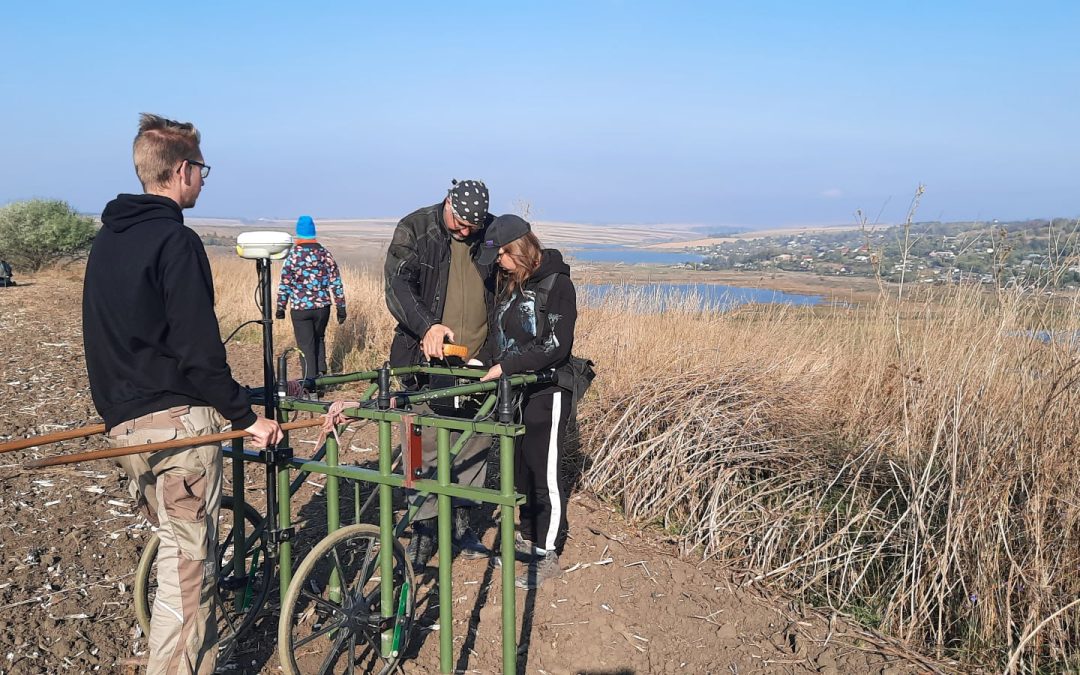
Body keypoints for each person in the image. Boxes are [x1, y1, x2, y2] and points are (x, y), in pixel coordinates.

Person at [82, 113, 283, 675]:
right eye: (202, 169)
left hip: (126, 425)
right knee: (188, 565)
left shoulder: (107, 241)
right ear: (181, 170)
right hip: (177, 427)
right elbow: (198, 351)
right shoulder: (176, 239)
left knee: (178, 551)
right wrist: (247, 417)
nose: (204, 180)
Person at [384, 179, 495, 569]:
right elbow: (397, 285)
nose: (466, 231)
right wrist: (428, 324)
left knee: (476, 438)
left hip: (479, 359)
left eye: (473, 227)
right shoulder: (415, 229)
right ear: (448, 203)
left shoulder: (489, 233)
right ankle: (424, 526)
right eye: (461, 223)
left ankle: (462, 519)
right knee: (422, 440)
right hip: (424, 357)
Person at [479, 214, 577, 589]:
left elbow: (555, 345)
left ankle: (547, 551)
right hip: (516, 389)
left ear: (517, 249)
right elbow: (502, 335)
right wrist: (487, 362)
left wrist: (506, 366)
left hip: (548, 391)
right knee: (520, 468)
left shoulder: (558, 285)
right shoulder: (510, 284)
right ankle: (528, 534)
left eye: (502, 256)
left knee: (543, 470)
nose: (498, 265)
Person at [275, 215, 346, 381]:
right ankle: (321, 374)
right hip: (323, 308)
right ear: (314, 232)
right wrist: (341, 307)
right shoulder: (325, 254)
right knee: (319, 338)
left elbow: (285, 283)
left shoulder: (293, 257)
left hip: (300, 309)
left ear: (298, 234)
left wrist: (281, 307)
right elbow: (335, 281)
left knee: (306, 346)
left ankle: (311, 383)